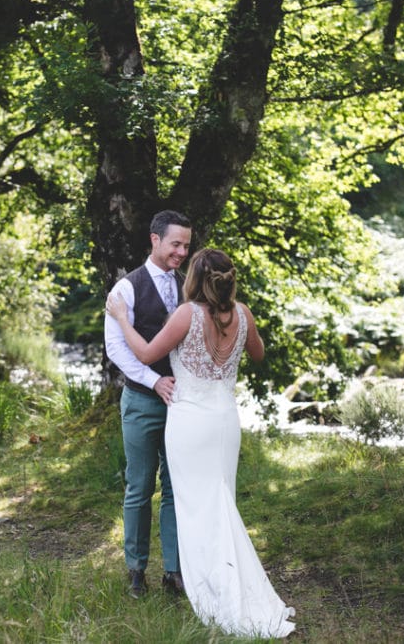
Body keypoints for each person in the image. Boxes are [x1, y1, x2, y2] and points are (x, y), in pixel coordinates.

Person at [106, 248, 296, 639]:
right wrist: (236, 336)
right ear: (229, 279)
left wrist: (122, 318)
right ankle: (218, 579)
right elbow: (257, 353)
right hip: (225, 420)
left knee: (196, 505)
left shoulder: (187, 314)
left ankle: (213, 590)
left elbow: (143, 353)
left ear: (195, 278)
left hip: (191, 421)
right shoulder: (243, 314)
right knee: (220, 500)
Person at [104, 210, 192, 599]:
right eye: (176, 244)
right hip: (141, 401)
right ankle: (136, 569)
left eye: (187, 246)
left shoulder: (188, 286)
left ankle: (174, 570)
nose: (182, 252)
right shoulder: (125, 290)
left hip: (182, 404)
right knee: (139, 487)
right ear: (154, 240)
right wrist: (154, 381)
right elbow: (116, 350)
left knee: (176, 486)